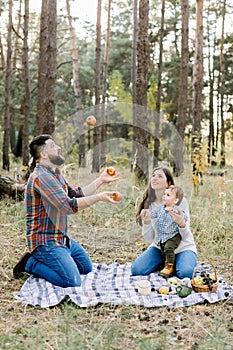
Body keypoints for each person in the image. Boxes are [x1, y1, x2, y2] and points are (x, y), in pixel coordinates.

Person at [13, 134, 121, 288]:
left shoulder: (54, 172)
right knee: (72, 281)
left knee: (86, 268)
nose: (58, 148)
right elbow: (68, 206)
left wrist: (101, 180)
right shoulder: (41, 176)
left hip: (60, 238)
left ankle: (61, 257)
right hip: (45, 241)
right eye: (53, 146)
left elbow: (76, 194)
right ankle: (30, 264)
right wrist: (99, 197)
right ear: (43, 154)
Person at [131, 167, 197, 279]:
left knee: (186, 273)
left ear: (168, 183)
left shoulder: (181, 202)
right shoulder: (150, 204)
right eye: (153, 175)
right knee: (137, 270)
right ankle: (167, 261)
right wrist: (146, 222)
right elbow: (149, 238)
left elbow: (186, 237)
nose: (154, 178)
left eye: (160, 176)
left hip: (183, 248)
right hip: (160, 248)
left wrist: (181, 223)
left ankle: (179, 261)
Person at [148, 185, 187, 277]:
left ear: (176, 200)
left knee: (169, 248)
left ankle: (169, 266)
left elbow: (184, 217)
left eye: (168, 195)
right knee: (163, 248)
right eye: (164, 194)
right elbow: (152, 214)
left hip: (173, 235)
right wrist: (147, 214)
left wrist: (178, 215)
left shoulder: (176, 210)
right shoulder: (160, 208)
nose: (164, 196)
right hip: (162, 236)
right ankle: (166, 263)